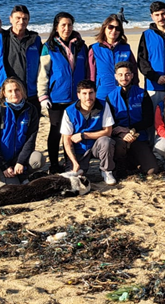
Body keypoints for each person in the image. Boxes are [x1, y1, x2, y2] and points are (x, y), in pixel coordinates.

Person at [38, 12, 89, 173]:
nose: (66, 28)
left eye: (69, 25)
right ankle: (54, 164)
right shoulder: (48, 47)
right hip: (56, 98)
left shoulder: (81, 46)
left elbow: (87, 71)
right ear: (56, 27)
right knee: (55, 131)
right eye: (63, 25)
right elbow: (43, 73)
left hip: (76, 98)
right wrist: (43, 95)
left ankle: (70, 162)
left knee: (73, 132)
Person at [0, 77, 47, 186]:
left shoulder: (31, 110)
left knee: (39, 159)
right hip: (0, 160)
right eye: (10, 91)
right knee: (12, 187)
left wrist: (20, 162)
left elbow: (30, 139)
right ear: (4, 93)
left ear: (22, 91)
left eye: (17, 90)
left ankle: (22, 175)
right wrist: (4, 166)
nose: (14, 93)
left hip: (18, 158)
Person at [107, 61, 159, 177]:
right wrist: (122, 133)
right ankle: (120, 165)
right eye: (120, 75)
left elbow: (148, 119)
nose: (124, 78)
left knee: (152, 170)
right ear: (116, 76)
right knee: (120, 146)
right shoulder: (110, 97)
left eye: (127, 74)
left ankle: (135, 161)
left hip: (138, 136)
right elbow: (109, 122)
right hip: (120, 137)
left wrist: (132, 130)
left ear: (132, 75)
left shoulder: (142, 94)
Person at [0, 5, 43, 107]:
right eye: (18, 18)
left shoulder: (35, 39)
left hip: (31, 94)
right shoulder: (0, 39)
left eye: (25, 19)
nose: (21, 21)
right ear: (11, 19)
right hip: (8, 94)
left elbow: (43, 65)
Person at [62, 79, 116, 183]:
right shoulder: (69, 111)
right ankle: (77, 164)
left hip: (97, 145)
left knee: (106, 141)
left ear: (95, 93)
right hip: (79, 149)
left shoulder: (104, 106)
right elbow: (66, 140)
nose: (88, 97)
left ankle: (107, 171)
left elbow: (108, 132)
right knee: (74, 177)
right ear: (78, 95)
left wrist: (84, 135)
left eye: (91, 93)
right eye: (84, 93)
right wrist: (74, 162)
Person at [88, 14, 136, 102]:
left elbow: (134, 71)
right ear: (104, 28)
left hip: (123, 92)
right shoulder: (94, 49)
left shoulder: (126, 48)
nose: (114, 31)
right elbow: (91, 74)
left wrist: (135, 89)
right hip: (102, 93)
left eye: (117, 28)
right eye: (110, 27)